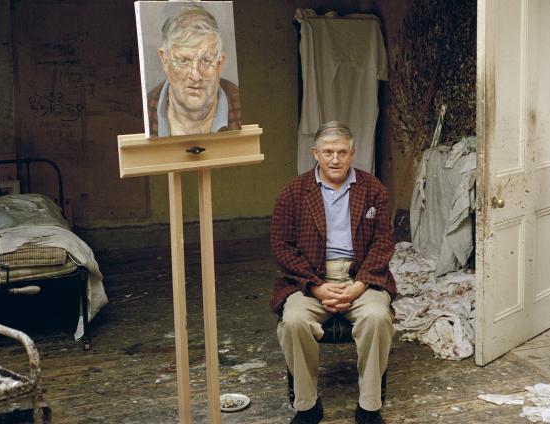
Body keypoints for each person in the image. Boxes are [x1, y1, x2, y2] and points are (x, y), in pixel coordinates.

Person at [270, 121, 395, 424]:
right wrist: (315, 287)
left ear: (353, 154)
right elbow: (282, 246)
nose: (335, 159)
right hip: (310, 278)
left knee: (377, 318)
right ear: (315, 153)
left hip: (361, 277)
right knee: (294, 321)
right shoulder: (294, 191)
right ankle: (307, 404)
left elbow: (383, 243)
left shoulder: (372, 189)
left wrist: (359, 285)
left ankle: (369, 405)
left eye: (342, 152)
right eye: (328, 152)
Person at [148, 5, 241, 137]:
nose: (196, 76)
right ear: (164, 60)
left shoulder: (241, 105)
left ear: (220, 64)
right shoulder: (144, 111)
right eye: (184, 61)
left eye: (206, 61)